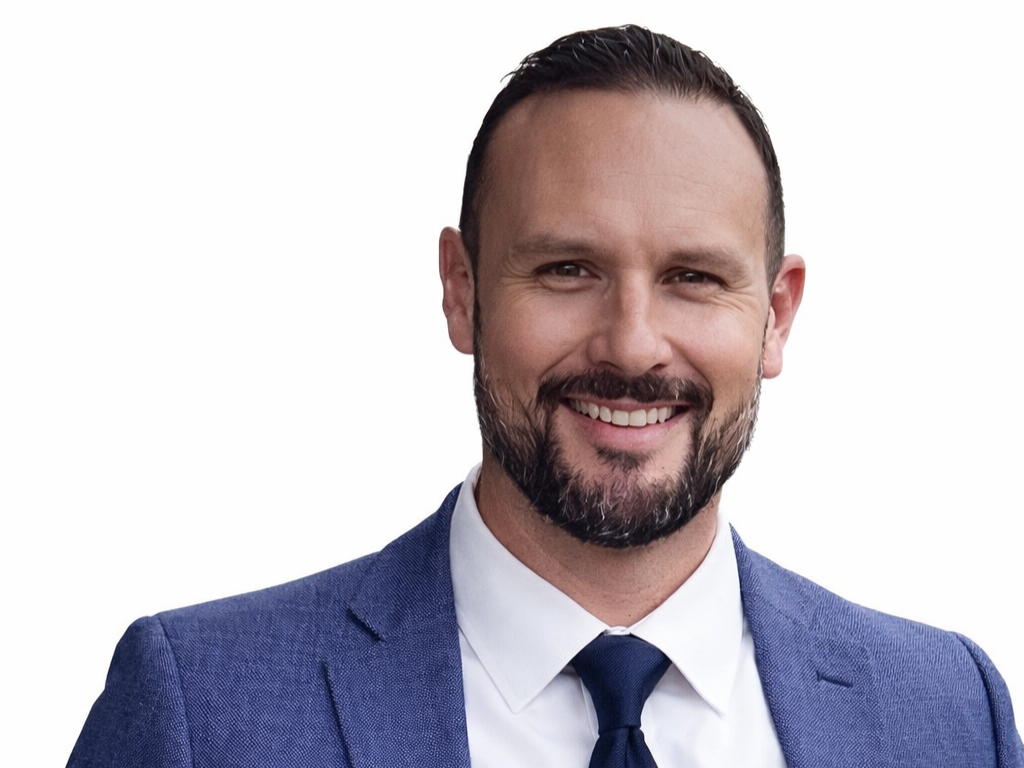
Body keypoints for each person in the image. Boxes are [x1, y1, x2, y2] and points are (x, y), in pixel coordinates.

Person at [68, 25, 1022, 767]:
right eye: (569, 268)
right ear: (462, 289)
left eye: (694, 276)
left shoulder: (947, 714)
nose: (633, 344)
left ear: (776, 316)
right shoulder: (201, 709)